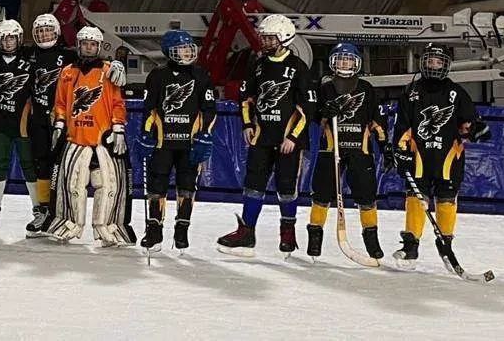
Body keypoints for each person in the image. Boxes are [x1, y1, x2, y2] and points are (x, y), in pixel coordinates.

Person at [217, 14, 316, 257]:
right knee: (253, 185)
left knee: (287, 187)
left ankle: (288, 233)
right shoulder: (258, 65)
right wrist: (246, 124)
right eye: (264, 37)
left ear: (285, 38)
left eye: (271, 38)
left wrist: (293, 137)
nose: (265, 42)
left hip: (287, 141)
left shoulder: (299, 68)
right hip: (261, 139)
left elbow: (308, 108)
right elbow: (246, 97)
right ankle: (246, 232)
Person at [390, 43, 488, 268]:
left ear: (446, 65)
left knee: (446, 198)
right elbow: (402, 126)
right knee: (416, 197)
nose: (434, 65)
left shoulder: (456, 93)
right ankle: (411, 245)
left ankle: (446, 244)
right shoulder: (411, 91)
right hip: (419, 156)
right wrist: (401, 151)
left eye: (438, 62)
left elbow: (468, 123)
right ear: (423, 63)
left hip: (449, 156)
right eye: (430, 61)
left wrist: (476, 129)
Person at [47, 25, 131, 246]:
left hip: (103, 140)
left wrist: (118, 128)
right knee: (73, 185)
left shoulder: (109, 70)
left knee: (108, 185)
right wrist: (59, 124)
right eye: (85, 44)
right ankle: (67, 224)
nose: (89, 48)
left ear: (99, 46)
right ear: (79, 45)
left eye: (93, 44)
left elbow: (118, 103)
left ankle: (109, 229)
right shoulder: (67, 72)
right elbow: (60, 103)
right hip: (76, 138)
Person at [138, 30, 216, 252]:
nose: (187, 52)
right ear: (169, 51)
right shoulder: (157, 76)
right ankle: (154, 229)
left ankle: (182, 229)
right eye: (182, 48)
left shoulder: (201, 75)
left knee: (187, 186)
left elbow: (209, 109)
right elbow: (149, 109)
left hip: (189, 144)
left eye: (189, 47)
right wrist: (146, 134)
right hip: (163, 143)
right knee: (157, 186)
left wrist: (205, 135)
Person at [308, 42, 387, 260]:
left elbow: (377, 121)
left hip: (360, 151)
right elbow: (314, 117)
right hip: (330, 150)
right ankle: (315, 234)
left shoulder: (366, 89)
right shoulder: (325, 88)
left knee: (367, 196)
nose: (344, 63)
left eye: (349, 59)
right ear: (333, 62)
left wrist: (385, 144)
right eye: (341, 59)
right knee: (321, 194)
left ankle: (371, 238)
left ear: (356, 63)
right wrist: (324, 113)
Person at [0, 19, 36, 234]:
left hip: (24, 125)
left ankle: (39, 210)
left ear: (19, 38)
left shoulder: (30, 59)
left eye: (11, 38)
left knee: (30, 166)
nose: (7, 42)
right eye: (3, 38)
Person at [26, 13, 75, 237]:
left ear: (56, 32)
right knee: (41, 164)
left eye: (48, 30)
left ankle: (64, 213)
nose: (44, 34)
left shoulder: (69, 56)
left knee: (64, 165)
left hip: (63, 120)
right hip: (38, 120)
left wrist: (114, 64)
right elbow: (3, 50)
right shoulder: (29, 54)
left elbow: (93, 63)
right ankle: (44, 211)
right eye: (40, 31)